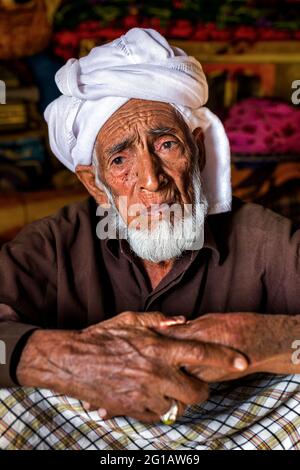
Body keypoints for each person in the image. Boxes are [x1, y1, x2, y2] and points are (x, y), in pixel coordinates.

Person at [0, 28, 299, 426]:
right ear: (95, 183)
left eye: (166, 145)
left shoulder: (266, 241)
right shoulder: (54, 244)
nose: (152, 181)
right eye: (121, 160)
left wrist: (259, 339)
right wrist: (69, 359)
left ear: (198, 151)